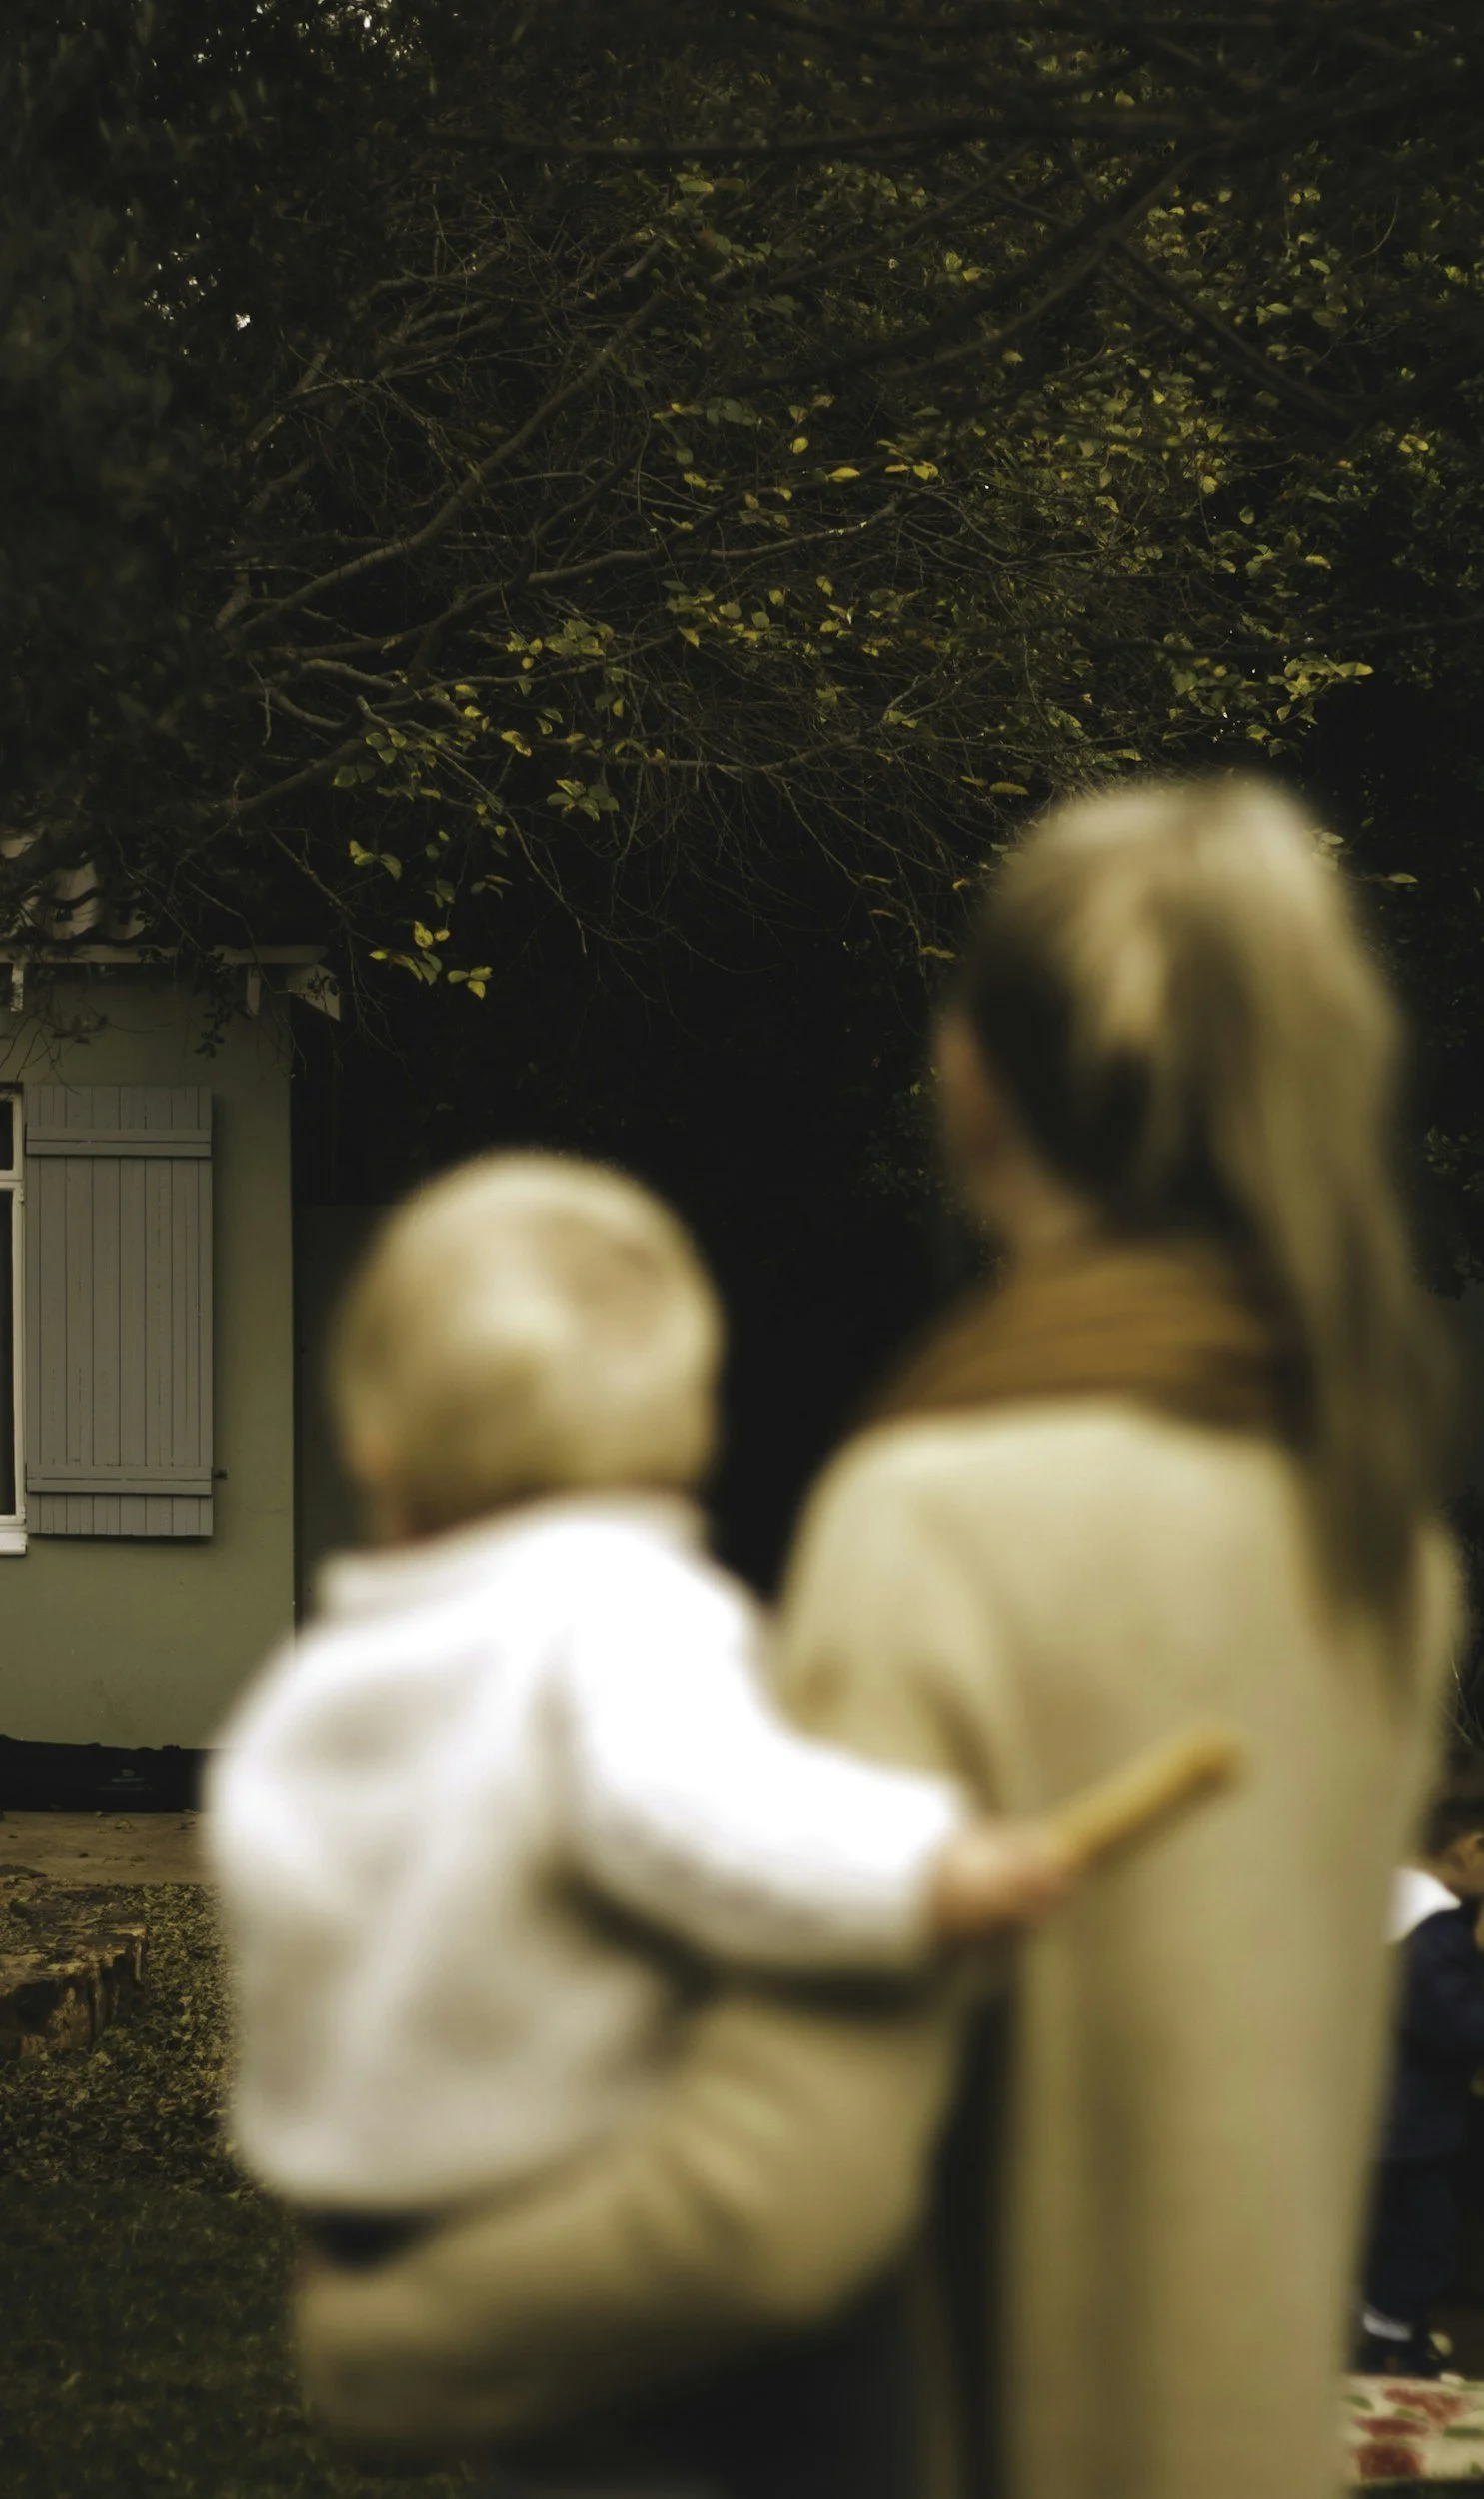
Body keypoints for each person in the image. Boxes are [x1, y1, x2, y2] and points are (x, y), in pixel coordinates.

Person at [297, 775, 1462, 2499]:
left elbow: (791, 2193)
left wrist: (401, 2336)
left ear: (974, 1081)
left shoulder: (943, 1511)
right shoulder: (1371, 1538)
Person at [206, 1155, 1070, 2282]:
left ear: (372, 1444)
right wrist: (924, 1868)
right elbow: (707, 1817)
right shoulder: (622, 1608)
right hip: (553, 2177)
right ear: (690, 1426)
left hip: (355, 2193)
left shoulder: (322, 1678)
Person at [1357, 1756, 1484, 2378]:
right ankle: (1388, 2342)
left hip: (1374, 2113)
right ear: (1472, 1848)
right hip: (1411, 2126)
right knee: (1423, 2240)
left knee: (1387, 2236)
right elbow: (1461, 2025)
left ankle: (1382, 2328)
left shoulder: (1384, 1904)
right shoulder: (1433, 1936)